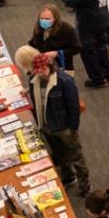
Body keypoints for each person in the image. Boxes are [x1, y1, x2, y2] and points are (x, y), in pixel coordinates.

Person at [23, 50, 90, 196]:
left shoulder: (64, 81)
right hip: (47, 127)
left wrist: (73, 128)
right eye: (37, 70)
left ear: (50, 65)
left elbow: (73, 107)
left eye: (43, 69)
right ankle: (68, 178)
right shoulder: (34, 81)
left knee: (77, 158)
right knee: (60, 155)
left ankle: (85, 187)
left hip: (65, 127)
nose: (40, 72)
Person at [63, 0, 109, 87]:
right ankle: (108, 73)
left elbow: (70, 1)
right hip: (102, 20)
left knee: (88, 51)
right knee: (101, 47)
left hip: (89, 24)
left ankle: (98, 79)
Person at [28, 6, 81, 72]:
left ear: (55, 18)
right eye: (41, 18)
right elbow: (34, 42)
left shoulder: (67, 29)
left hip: (61, 67)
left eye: (47, 19)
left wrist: (57, 53)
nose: (44, 21)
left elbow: (77, 48)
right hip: (43, 65)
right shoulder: (38, 27)